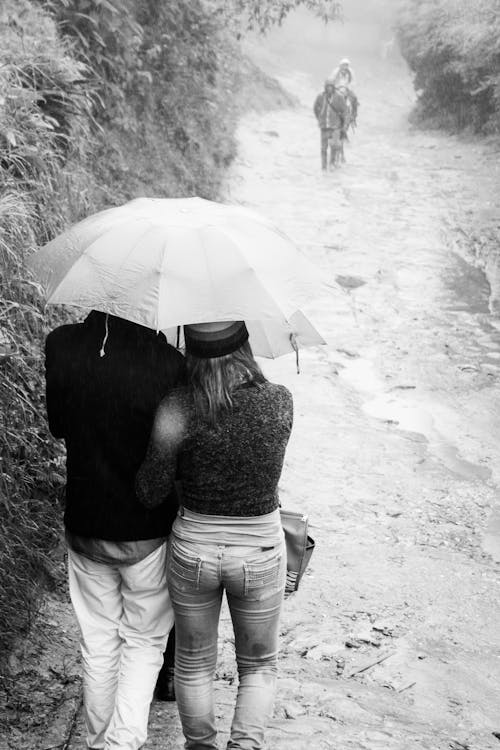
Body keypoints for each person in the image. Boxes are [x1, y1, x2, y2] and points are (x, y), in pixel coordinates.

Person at [136, 320, 293, 750]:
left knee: (193, 662)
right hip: (259, 551)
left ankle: (200, 746)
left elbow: (150, 490)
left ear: (191, 352)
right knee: (259, 666)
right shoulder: (279, 402)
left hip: (194, 552)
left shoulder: (177, 407)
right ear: (245, 347)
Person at [45, 310, 185, 750]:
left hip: (86, 521)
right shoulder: (169, 364)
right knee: (144, 643)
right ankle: (121, 743)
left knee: (98, 641)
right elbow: (175, 452)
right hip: (147, 530)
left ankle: (98, 740)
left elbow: (57, 425)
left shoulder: (62, 343)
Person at [313, 79, 348, 170]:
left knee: (334, 145)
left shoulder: (339, 97)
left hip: (335, 126)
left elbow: (345, 111)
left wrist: (344, 125)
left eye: (331, 87)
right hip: (324, 127)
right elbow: (315, 108)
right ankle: (323, 167)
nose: (329, 89)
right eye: (327, 87)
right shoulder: (320, 97)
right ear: (325, 87)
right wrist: (319, 118)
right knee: (323, 148)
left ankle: (332, 163)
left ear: (333, 87)